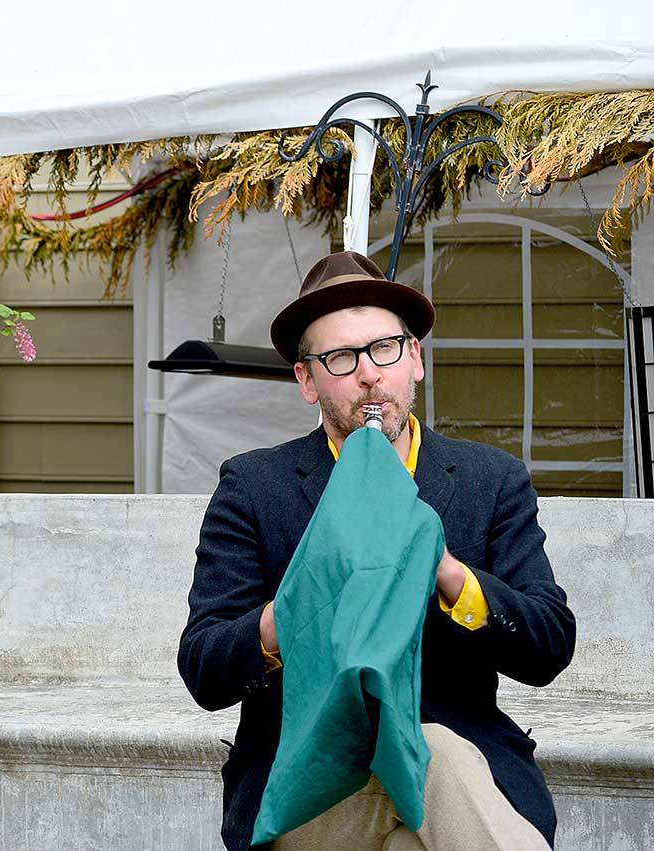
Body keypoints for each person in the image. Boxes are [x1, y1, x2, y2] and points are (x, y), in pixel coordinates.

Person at [177, 250, 576, 851]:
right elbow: (204, 668)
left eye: (385, 348)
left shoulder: (489, 480)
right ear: (307, 381)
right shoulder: (254, 486)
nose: (369, 374)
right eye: (340, 358)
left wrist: (446, 572)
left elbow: (549, 643)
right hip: (313, 792)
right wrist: (298, 608)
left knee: (430, 760)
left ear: (415, 359)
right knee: (433, 757)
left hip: (460, 778)